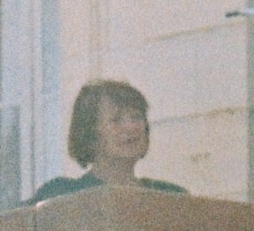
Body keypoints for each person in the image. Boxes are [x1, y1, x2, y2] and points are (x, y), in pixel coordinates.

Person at [29, 78, 187, 201]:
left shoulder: (172, 197)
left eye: (136, 117)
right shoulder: (61, 194)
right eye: (116, 120)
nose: (131, 127)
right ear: (89, 133)